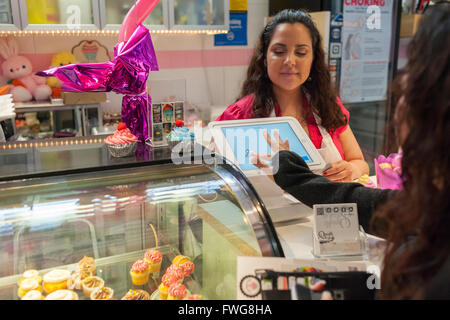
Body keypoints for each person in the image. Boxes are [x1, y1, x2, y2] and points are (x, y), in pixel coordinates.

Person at [271, 3, 450, 299]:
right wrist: (297, 178)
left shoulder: (435, 275)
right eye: (279, 51)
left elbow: (360, 169)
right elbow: (369, 204)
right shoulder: (432, 207)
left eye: (410, 82)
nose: (290, 61)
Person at [215, 9, 369, 182]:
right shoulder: (238, 115)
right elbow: (219, 180)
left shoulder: (327, 105)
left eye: (301, 53)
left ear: (313, 59)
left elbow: (359, 161)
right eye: (279, 52)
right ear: (265, 58)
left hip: (327, 208)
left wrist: (352, 169)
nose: (290, 61)